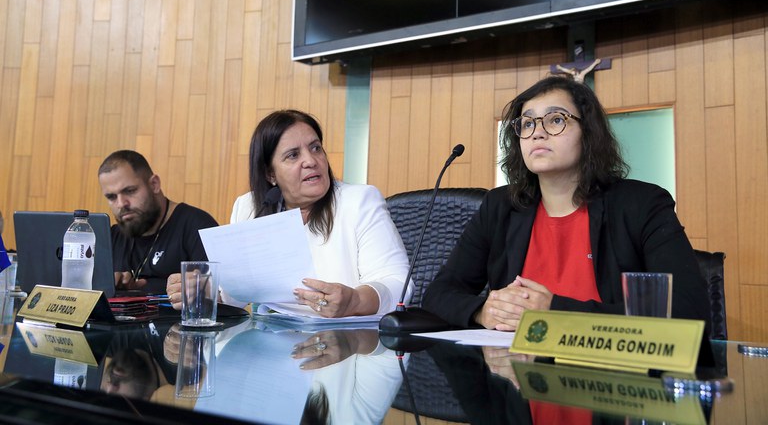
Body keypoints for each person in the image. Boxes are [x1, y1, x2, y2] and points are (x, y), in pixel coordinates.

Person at [422, 75, 710, 331]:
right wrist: (483, 311)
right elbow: (439, 294)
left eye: (556, 119)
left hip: (610, 369)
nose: (537, 132)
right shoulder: (500, 206)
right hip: (514, 370)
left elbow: (689, 310)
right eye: (527, 123)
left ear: (589, 132)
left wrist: (554, 311)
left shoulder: (641, 205)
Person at [167, 110, 412, 317]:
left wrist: (355, 301)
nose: (311, 160)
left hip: (345, 345)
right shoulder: (249, 207)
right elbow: (235, 296)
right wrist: (204, 292)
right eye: (293, 155)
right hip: (268, 344)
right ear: (270, 174)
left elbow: (398, 284)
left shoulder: (359, 201)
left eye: (316, 148)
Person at [98, 150, 218, 294]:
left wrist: (197, 291)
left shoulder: (198, 226)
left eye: (130, 191)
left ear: (154, 184)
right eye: (111, 197)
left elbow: (217, 296)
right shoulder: (111, 238)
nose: (121, 204)